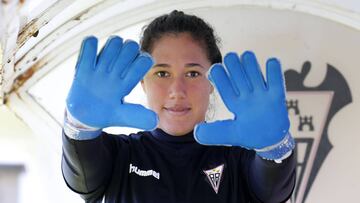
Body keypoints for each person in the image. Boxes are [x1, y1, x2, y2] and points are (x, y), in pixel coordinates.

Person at [62, 10, 296, 203]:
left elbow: (274, 190)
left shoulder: (239, 164)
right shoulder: (118, 157)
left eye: (193, 73)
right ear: (142, 81)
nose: (177, 90)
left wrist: (275, 148)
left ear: (213, 82)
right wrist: (79, 125)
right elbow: (81, 177)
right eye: (162, 73)